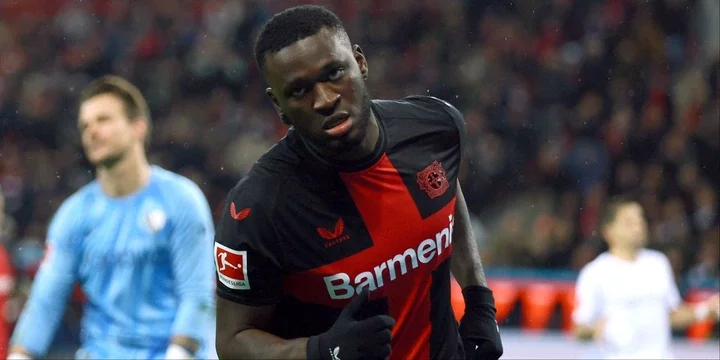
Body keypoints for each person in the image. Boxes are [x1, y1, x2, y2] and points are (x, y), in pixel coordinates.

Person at [214, 5, 503, 360]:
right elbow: (231, 342)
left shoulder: (435, 128)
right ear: (279, 105)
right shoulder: (256, 209)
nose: (325, 99)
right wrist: (321, 351)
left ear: (360, 63)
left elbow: (446, 198)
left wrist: (478, 301)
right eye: (300, 90)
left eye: (334, 72)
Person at [7, 76, 216, 360]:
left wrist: (177, 354)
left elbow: (198, 294)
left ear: (138, 126)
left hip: (175, 352)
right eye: (85, 126)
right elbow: (45, 303)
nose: (92, 131)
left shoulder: (182, 200)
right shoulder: (74, 215)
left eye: (103, 120)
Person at [572, 196, 720, 359]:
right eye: (629, 222)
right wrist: (592, 331)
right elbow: (579, 328)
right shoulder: (596, 272)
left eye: (640, 220)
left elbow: (670, 315)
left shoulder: (658, 263)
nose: (638, 227)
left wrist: (707, 310)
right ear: (609, 231)